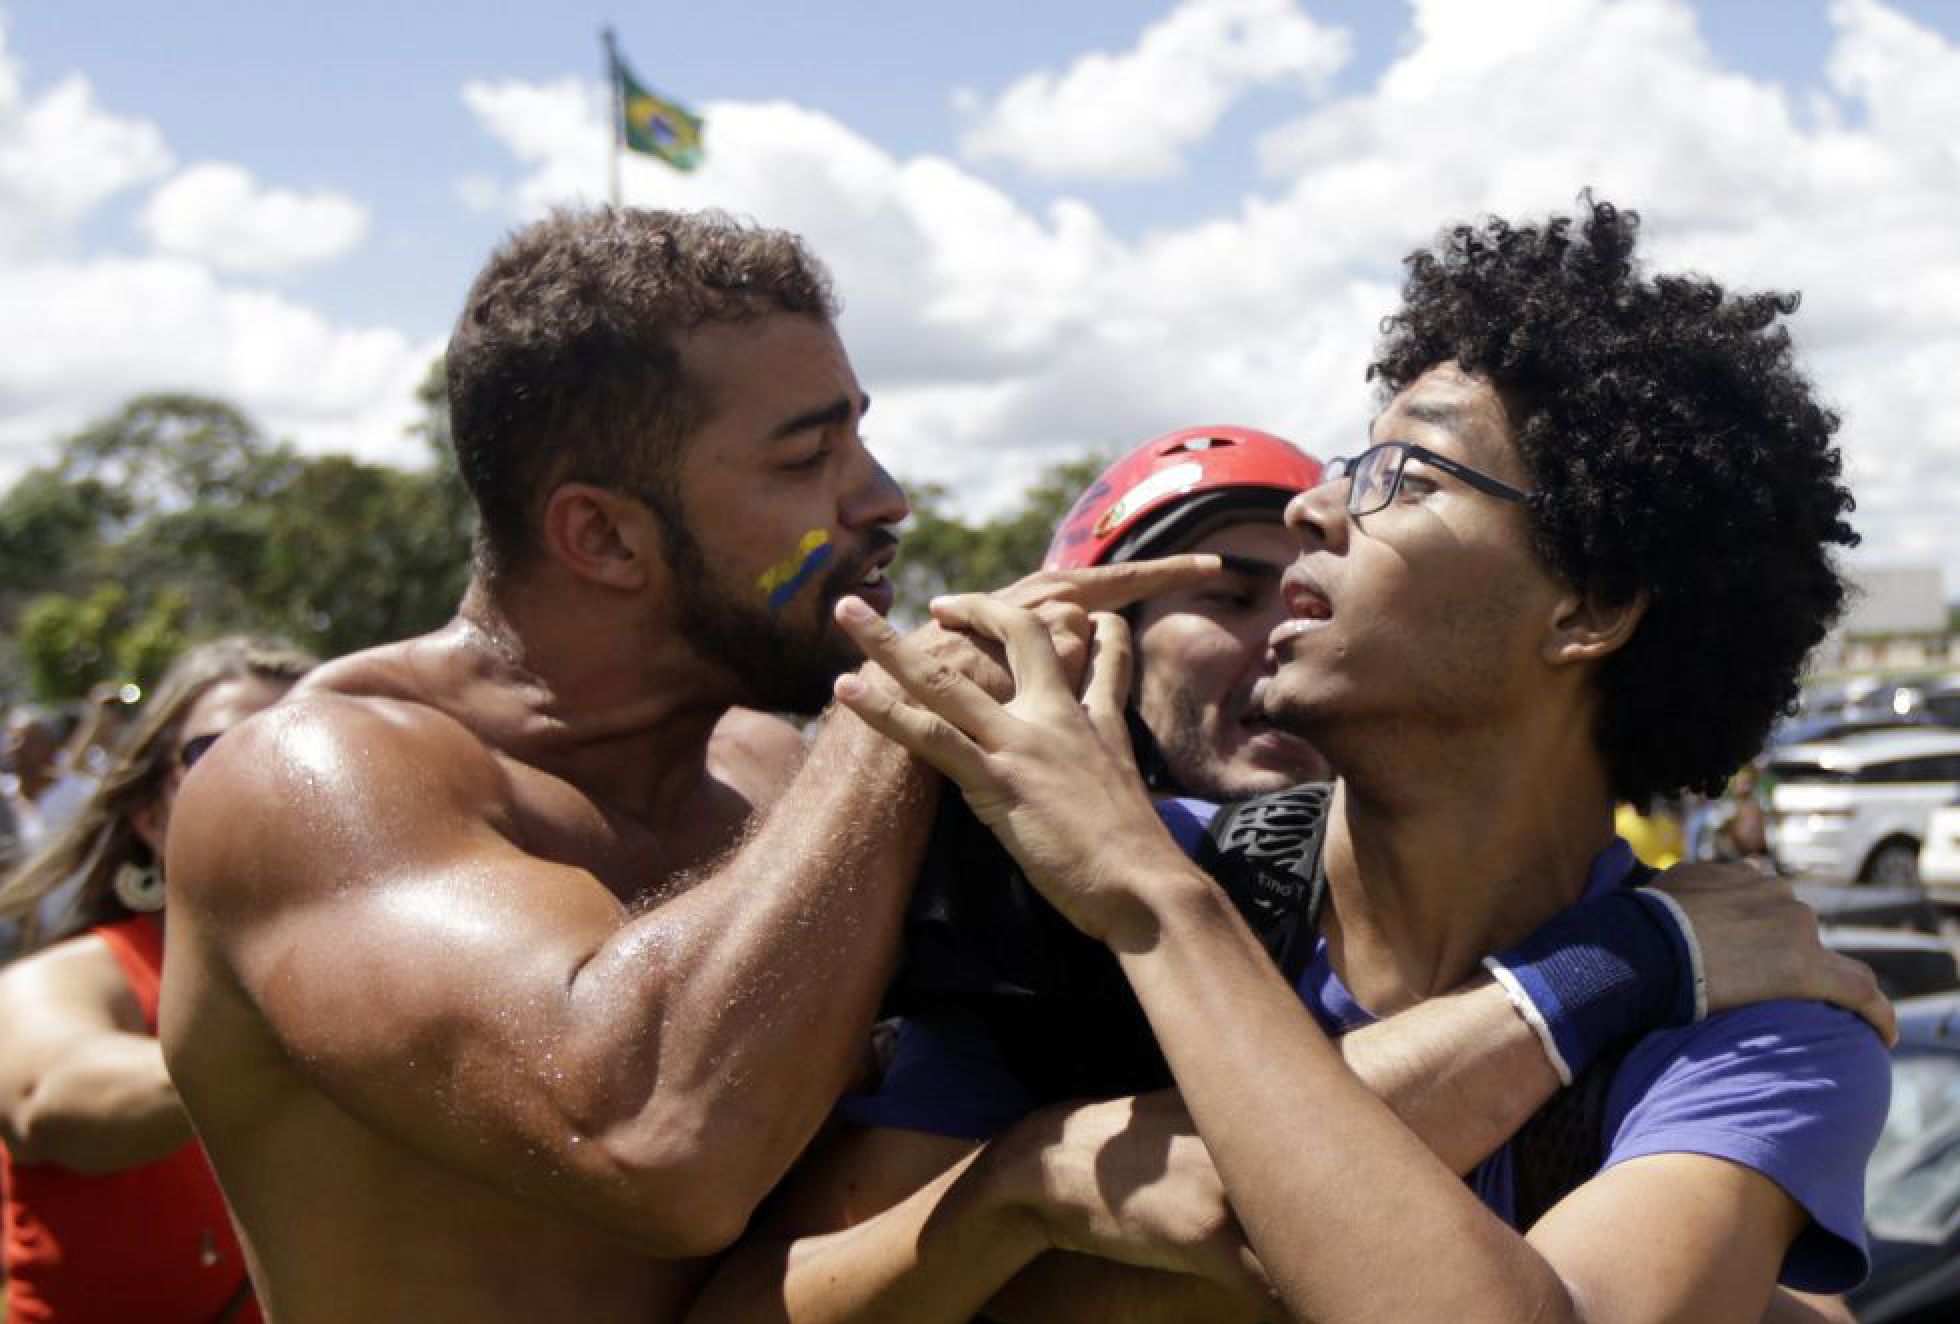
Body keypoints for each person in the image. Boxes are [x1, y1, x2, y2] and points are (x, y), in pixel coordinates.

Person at [826, 197, 1890, 1322]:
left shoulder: (1760, 1020)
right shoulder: (1070, 904)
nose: (1313, 507)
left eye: (1407, 477)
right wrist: (1025, 1178)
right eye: (1350, 465)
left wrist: (1153, 902)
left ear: (1588, 608)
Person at [155, 207, 1210, 1323]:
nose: (882, 497)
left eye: (858, 437)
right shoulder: (308, 781)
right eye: (807, 457)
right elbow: (657, 1142)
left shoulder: (767, 764)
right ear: (604, 537)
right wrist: (890, 716)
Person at [0, 635, 316, 1323]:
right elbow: (49, 1098)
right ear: (150, 818)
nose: (277, 776)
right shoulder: (65, 976)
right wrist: (301, 1048)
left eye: (317, 743)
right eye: (222, 752)